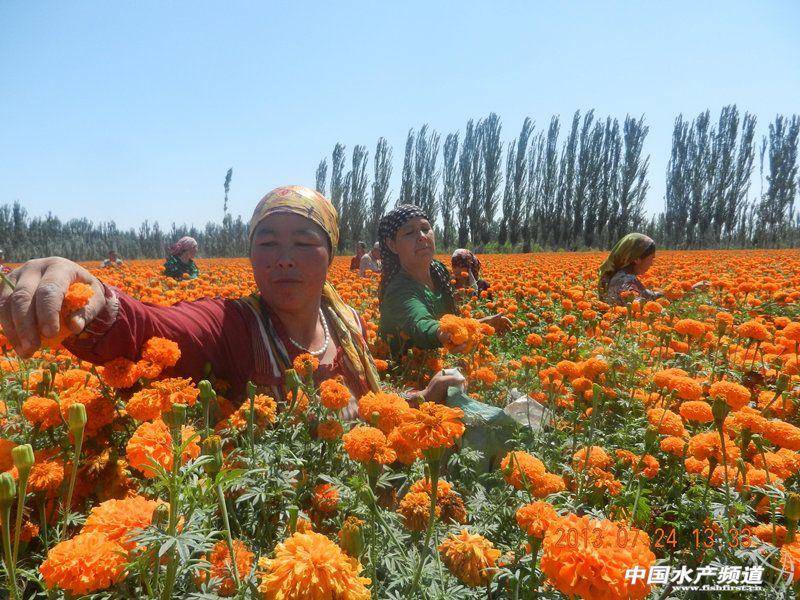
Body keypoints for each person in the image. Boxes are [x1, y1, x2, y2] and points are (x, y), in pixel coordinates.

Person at [0, 186, 461, 415]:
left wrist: (421, 398)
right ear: (251, 255)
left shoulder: (348, 323)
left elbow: (364, 411)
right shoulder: (232, 325)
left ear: (331, 254)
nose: (284, 259)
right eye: (266, 244)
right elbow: (156, 329)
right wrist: (91, 296)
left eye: (303, 243)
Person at [377, 205, 511, 360]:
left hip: (437, 362)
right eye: (409, 232)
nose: (422, 236)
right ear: (392, 245)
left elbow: (448, 322)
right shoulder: (399, 290)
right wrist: (443, 334)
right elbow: (421, 324)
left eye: (425, 228)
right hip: (407, 372)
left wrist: (479, 325)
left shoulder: (438, 271)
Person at [598, 233, 709, 306]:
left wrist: (689, 290)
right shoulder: (625, 282)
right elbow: (641, 308)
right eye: (651, 258)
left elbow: (651, 296)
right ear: (637, 259)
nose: (652, 263)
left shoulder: (623, 275)